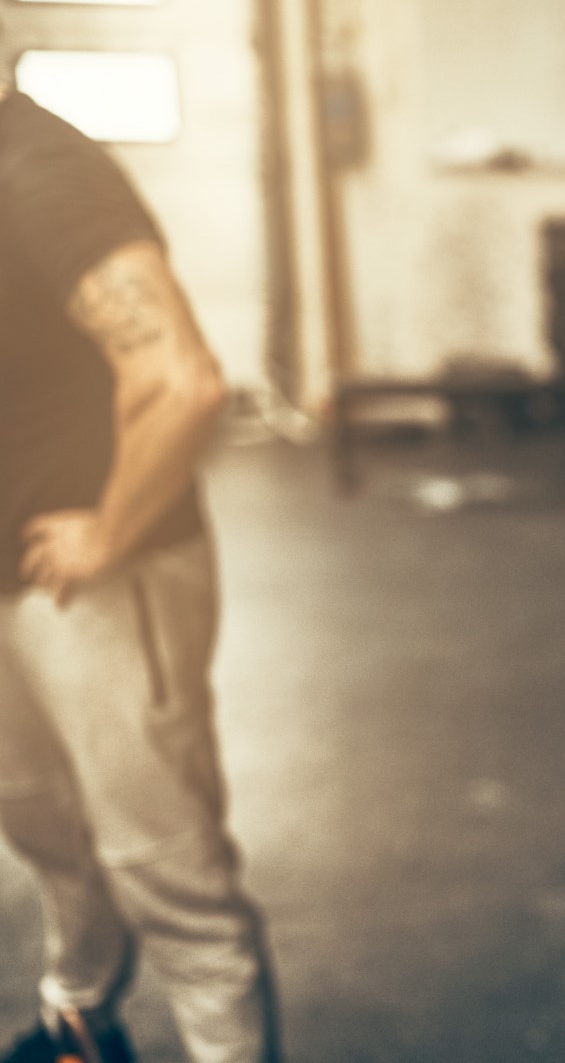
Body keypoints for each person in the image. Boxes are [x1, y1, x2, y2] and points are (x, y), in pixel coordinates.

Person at [0, 86, 281, 1063]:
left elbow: (182, 379)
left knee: (170, 875)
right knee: (45, 829)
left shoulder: (40, 176)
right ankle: (80, 1020)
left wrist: (110, 531)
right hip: (10, 579)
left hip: (99, 585)